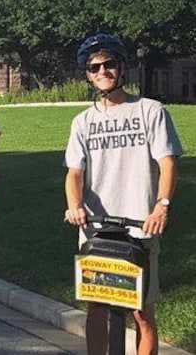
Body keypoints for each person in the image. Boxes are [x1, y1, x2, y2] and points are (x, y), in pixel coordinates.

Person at [64, 33, 181, 355]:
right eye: (94, 67)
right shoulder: (83, 121)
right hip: (97, 230)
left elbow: (167, 163)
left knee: (142, 312)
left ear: (122, 66)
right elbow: (74, 172)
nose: (102, 71)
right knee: (97, 309)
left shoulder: (150, 111)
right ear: (87, 74)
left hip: (140, 227)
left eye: (109, 64)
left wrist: (162, 206)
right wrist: (74, 206)